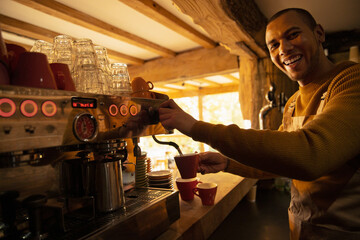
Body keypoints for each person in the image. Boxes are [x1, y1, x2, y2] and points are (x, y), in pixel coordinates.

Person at [158, 8, 360, 240]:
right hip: (301, 227)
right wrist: (227, 163)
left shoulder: (350, 81)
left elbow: (311, 154)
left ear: (319, 33)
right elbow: (279, 161)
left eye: (292, 35)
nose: (283, 49)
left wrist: (196, 128)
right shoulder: (294, 101)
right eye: (274, 45)